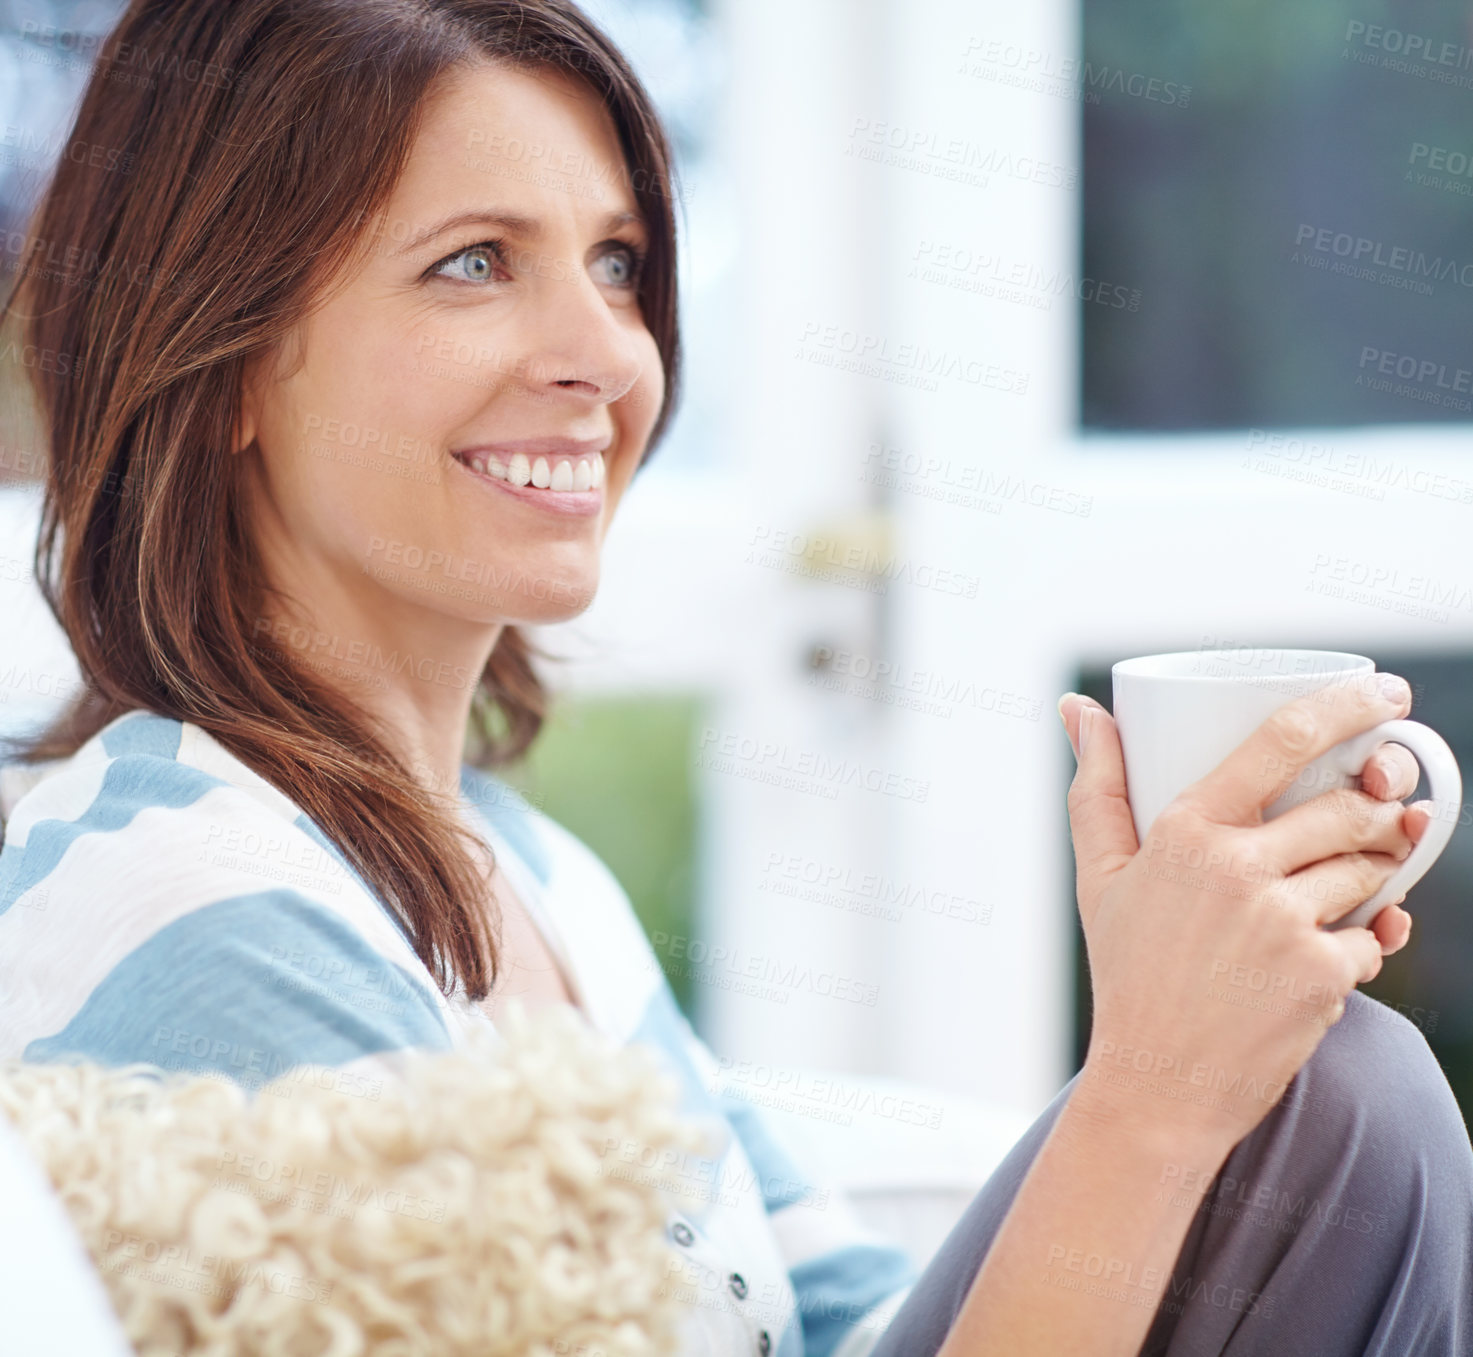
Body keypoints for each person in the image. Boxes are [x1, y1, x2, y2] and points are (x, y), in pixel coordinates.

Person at [0, 3, 1467, 1353]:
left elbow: (840, 1322)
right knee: (1347, 1107)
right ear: (227, 357)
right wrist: (1153, 1088)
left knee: (1328, 1090)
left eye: (619, 262)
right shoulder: (194, 903)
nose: (605, 354)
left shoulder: (521, 864)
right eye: (472, 262)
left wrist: (1194, 1017)